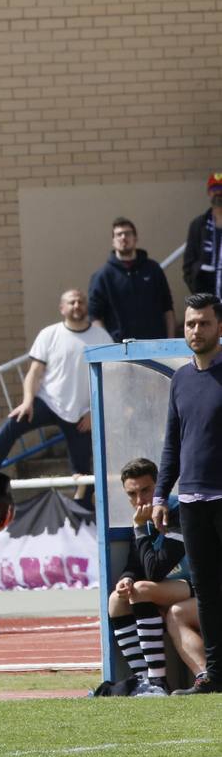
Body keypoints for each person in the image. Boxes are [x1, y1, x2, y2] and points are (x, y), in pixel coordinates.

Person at [153, 293, 222, 695]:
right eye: (191, 323)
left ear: (219, 327)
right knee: (208, 591)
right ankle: (215, 673)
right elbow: (172, 445)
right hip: (193, 502)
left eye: (204, 323)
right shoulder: (180, 379)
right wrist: (161, 495)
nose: (196, 330)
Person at [0, 289, 113, 482]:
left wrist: (93, 411)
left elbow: (110, 378)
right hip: (48, 402)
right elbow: (34, 372)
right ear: (62, 308)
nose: (77, 306)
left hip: (81, 413)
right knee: (11, 426)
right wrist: (28, 401)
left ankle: (83, 510)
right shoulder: (49, 334)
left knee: (82, 473)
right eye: (71, 302)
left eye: (80, 302)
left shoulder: (102, 337)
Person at [109, 458, 190, 697]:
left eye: (146, 490)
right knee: (116, 599)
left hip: (197, 586)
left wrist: (138, 528)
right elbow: (135, 565)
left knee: (143, 589)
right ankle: (142, 679)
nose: (139, 500)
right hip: (166, 588)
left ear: (159, 488)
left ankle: (158, 681)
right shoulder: (143, 520)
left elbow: (156, 571)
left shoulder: (177, 511)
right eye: (132, 494)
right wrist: (126, 579)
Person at [88, 218, 175, 342]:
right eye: (119, 234)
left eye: (128, 233)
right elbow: (94, 316)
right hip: (121, 350)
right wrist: (108, 344)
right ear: (113, 241)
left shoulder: (153, 269)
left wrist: (170, 341)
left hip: (156, 346)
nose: (123, 237)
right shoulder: (102, 276)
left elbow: (168, 308)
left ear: (135, 238)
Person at [182, 172, 222, 297]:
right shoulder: (199, 225)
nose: (219, 193)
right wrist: (198, 293)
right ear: (209, 192)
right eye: (215, 189)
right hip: (207, 301)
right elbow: (188, 265)